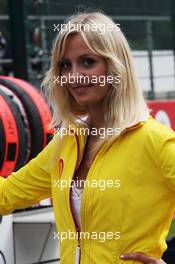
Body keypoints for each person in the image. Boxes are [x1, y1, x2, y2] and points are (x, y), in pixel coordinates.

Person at [0, 11, 173, 264]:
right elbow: (6, 195)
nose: (73, 76)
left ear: (115, 65)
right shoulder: (67, 142)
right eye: (65, 65)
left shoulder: (155, 141)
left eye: (88, 62)